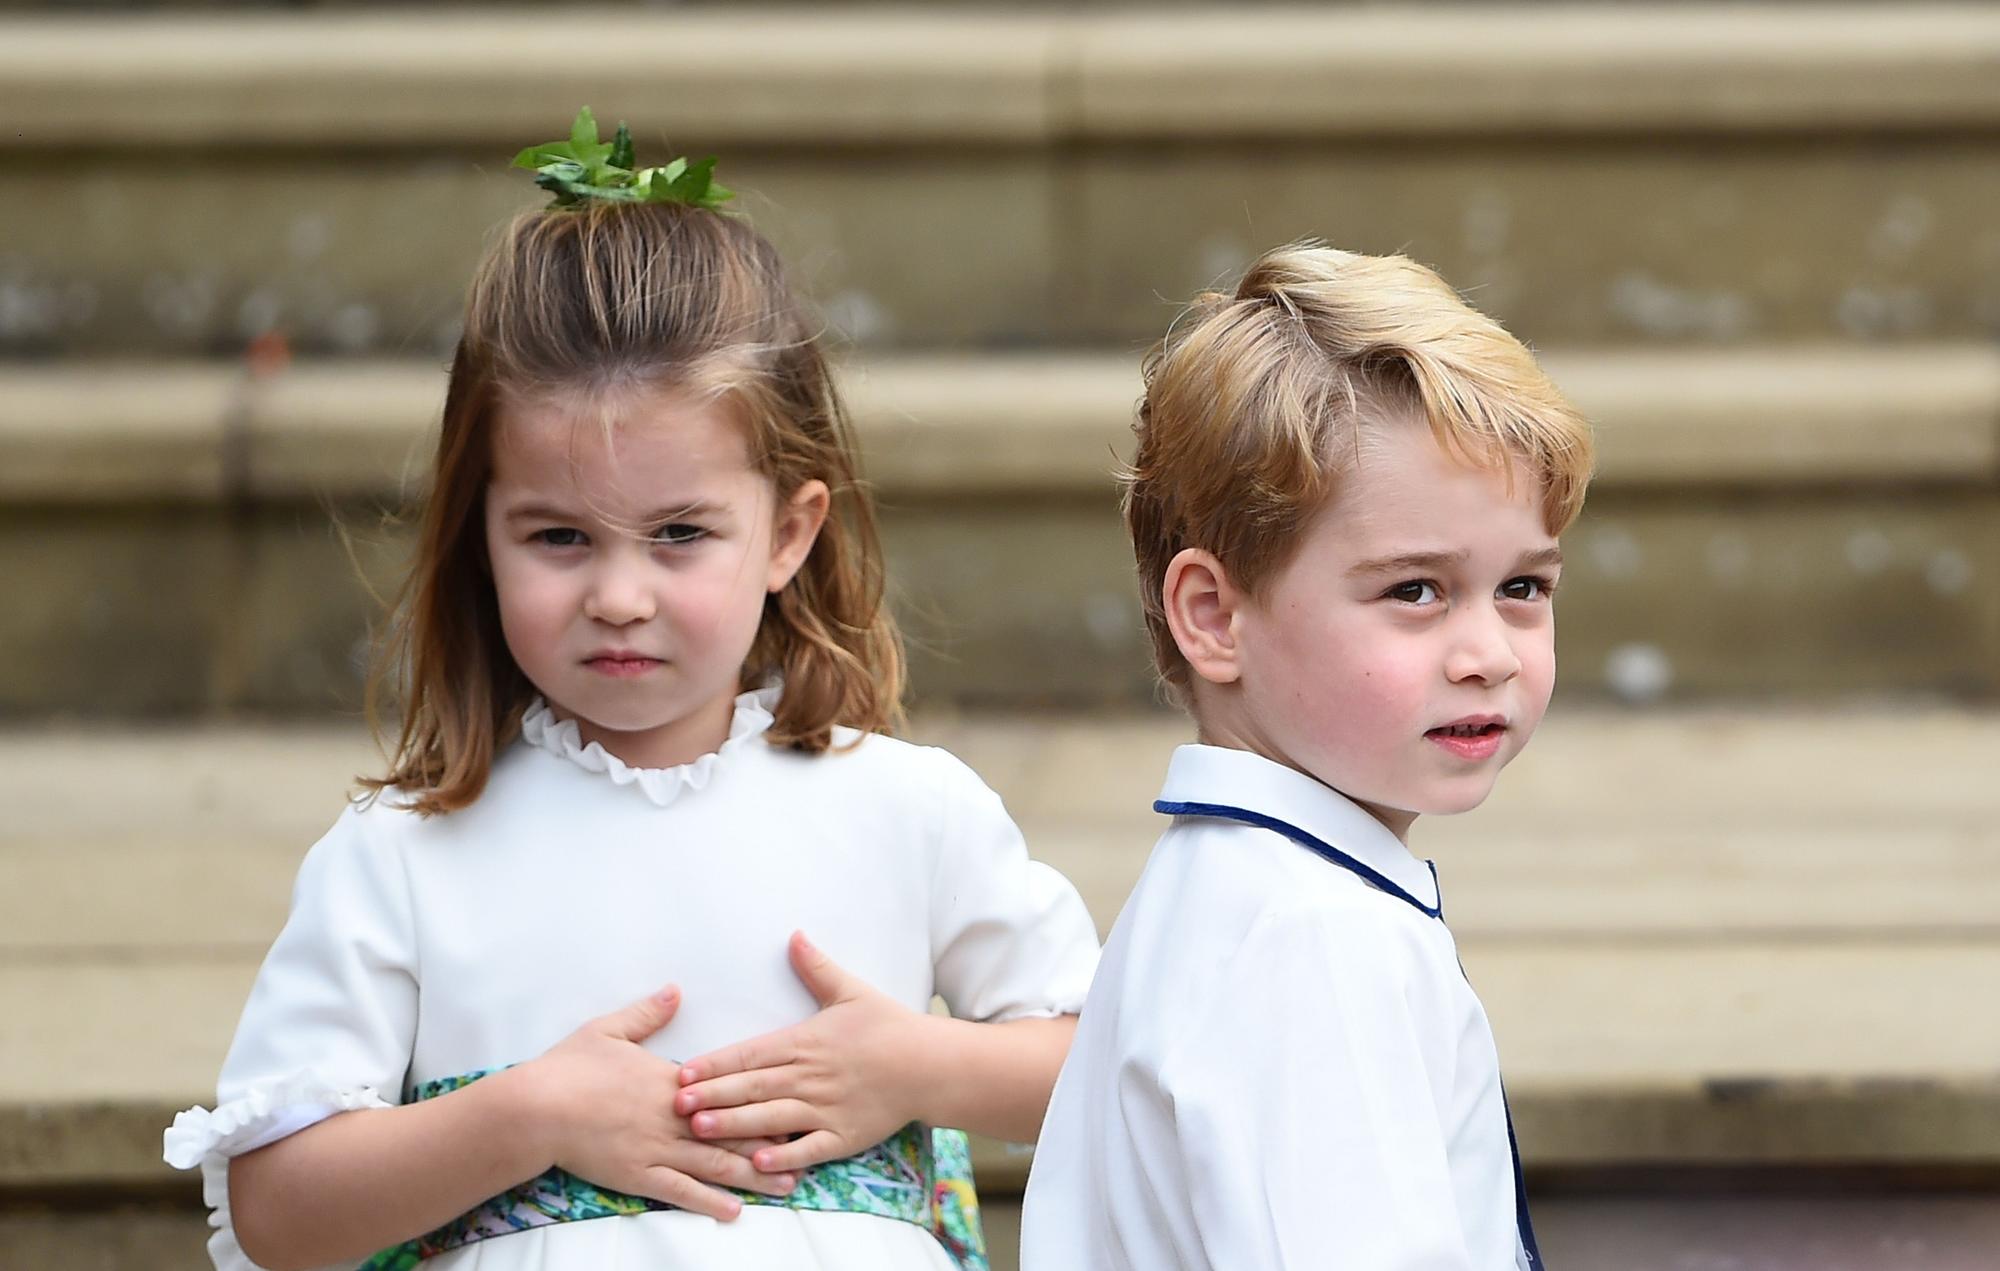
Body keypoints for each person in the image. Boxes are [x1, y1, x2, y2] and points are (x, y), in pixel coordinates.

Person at [163, 112, 1099, 1271]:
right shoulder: (403, 857)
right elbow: (278, 1207)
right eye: (557, 534)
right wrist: (528, 1116)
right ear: (479, 538)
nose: (616, 593)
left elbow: (1110, 1058)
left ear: (787, 532)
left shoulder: (909, 809)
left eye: (677, 534)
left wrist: (912, 1068)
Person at [1019, 243, 1594, 1270]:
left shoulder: (1246, 892)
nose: (1486, 654)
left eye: (1522, 587)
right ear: (1213, 616)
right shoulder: (1310, 938)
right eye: (1413, 590)